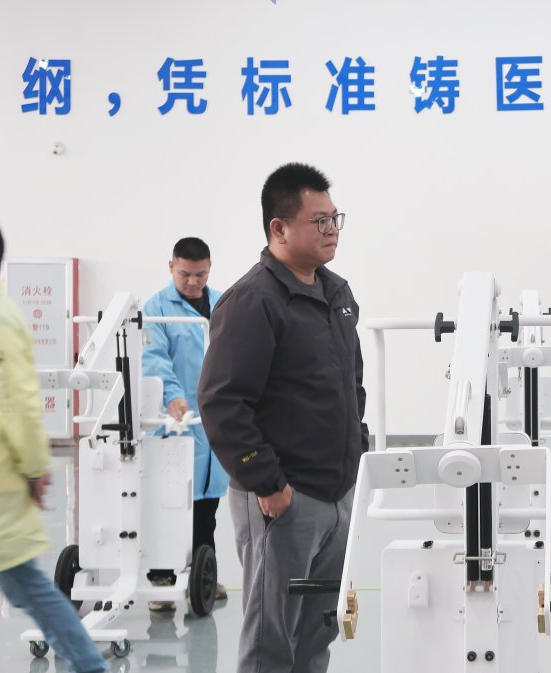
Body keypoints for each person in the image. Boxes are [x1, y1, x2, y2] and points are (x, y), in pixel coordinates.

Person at [199, 162, 369, 673]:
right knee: (270, 642)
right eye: (320, 221)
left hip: (337, 493)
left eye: (335, 218)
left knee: (318, 633)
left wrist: (357, 454)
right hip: (282, 499)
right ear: (279, 228)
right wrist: (267, 483)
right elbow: (223, 402)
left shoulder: (337, 294)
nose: (332, 229)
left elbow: (351, 384)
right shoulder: (253, 301)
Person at [0, 211, 106, 672]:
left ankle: (92, 667)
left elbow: (16, 404)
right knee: (30, 593)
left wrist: (33, 467)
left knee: (26, 594)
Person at [142, 237, 228, 610]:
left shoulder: (223, 303)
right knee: (169, 503)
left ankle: (204, 575)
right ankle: (161, 579)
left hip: (213, 421)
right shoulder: (156, 308)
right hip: (174, 420)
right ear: (171, 267)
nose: (193, 282)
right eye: (185, 274)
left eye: (200, 274)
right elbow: (154, 359)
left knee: (207, 507)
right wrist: (172, 396)